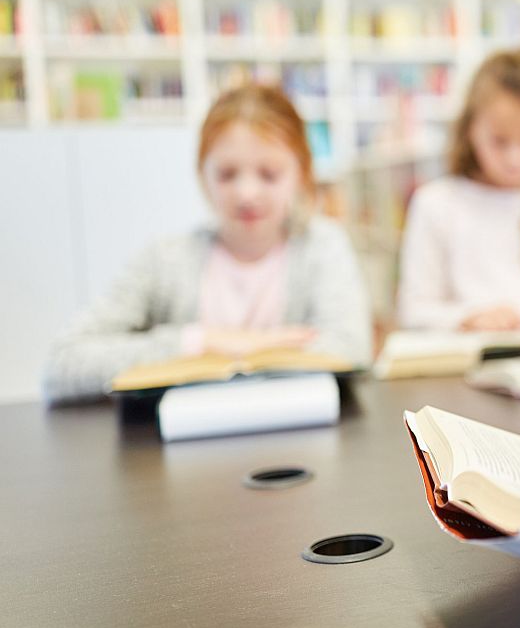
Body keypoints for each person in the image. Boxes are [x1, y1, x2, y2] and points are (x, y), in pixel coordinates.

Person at [44, 84, 371, 403]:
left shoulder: (322, 246)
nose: (246, 194)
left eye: (269, 174)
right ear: (203, 176)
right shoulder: (164, 259)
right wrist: (199, 341)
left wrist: (250, 347)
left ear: (302, 174)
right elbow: (63, 364)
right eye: (227, 174)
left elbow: (353, 351)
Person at [397, 48, 520, 332]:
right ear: (470, 130)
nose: (515, 159)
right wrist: (468, 319)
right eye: (499, 141)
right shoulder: (436, 204)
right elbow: (413, 311)